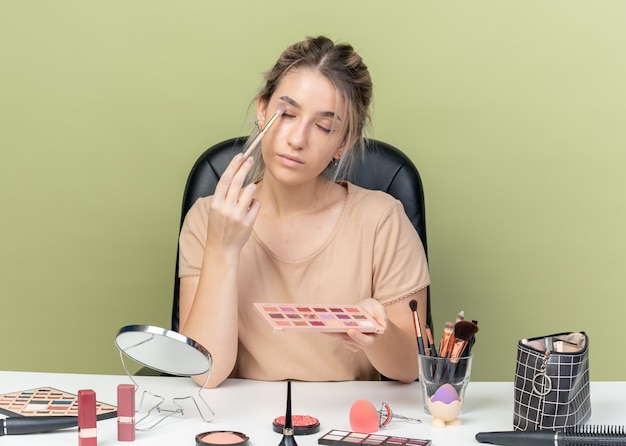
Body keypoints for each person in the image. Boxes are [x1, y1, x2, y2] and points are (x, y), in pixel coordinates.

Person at [178, 36, 430, 388]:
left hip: (346, 423)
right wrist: (222, 248)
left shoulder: (382, 220)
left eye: (324, 126)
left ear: (344, 143)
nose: (297, 139)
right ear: (262, 110)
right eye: (286, 114)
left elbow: (410, 368)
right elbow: (205, 372)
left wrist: (379, 334)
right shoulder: (209, 218)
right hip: (242, 422)